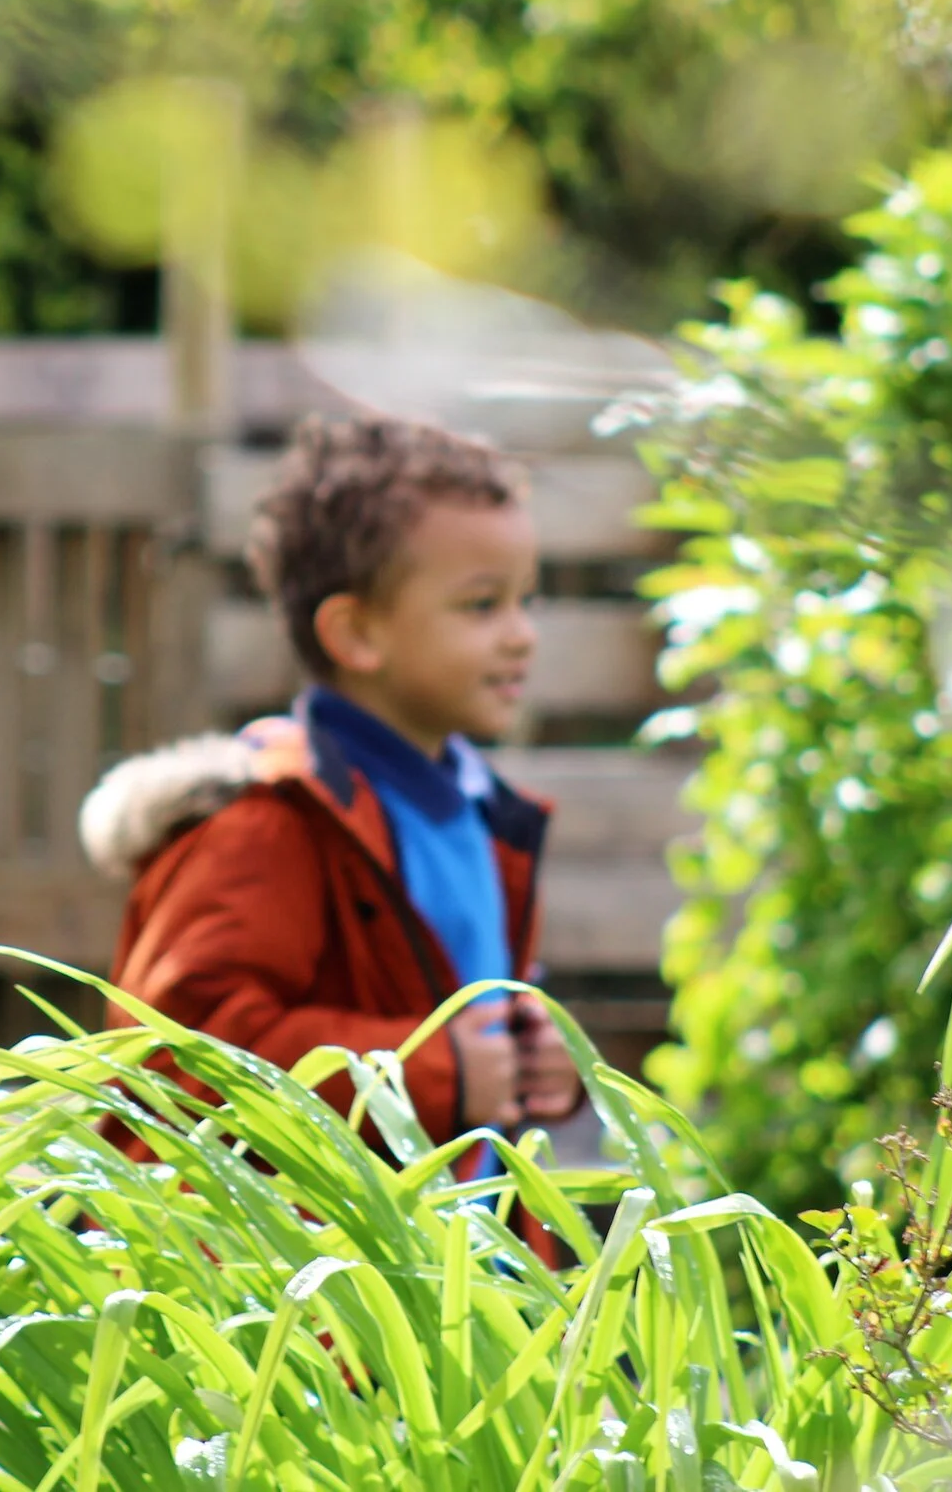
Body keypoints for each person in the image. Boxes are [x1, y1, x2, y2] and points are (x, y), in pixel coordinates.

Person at [80, 414, 582, 1181]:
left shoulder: (480, 811)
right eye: (483, 605)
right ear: (356, 634)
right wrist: (430, 1075)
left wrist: (537, 1058)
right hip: (322, 1257)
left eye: (527, 600)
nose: (522, 635)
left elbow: (463, 1015)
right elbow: (178, 1061)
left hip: (453, 1251)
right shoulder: (268, 824)